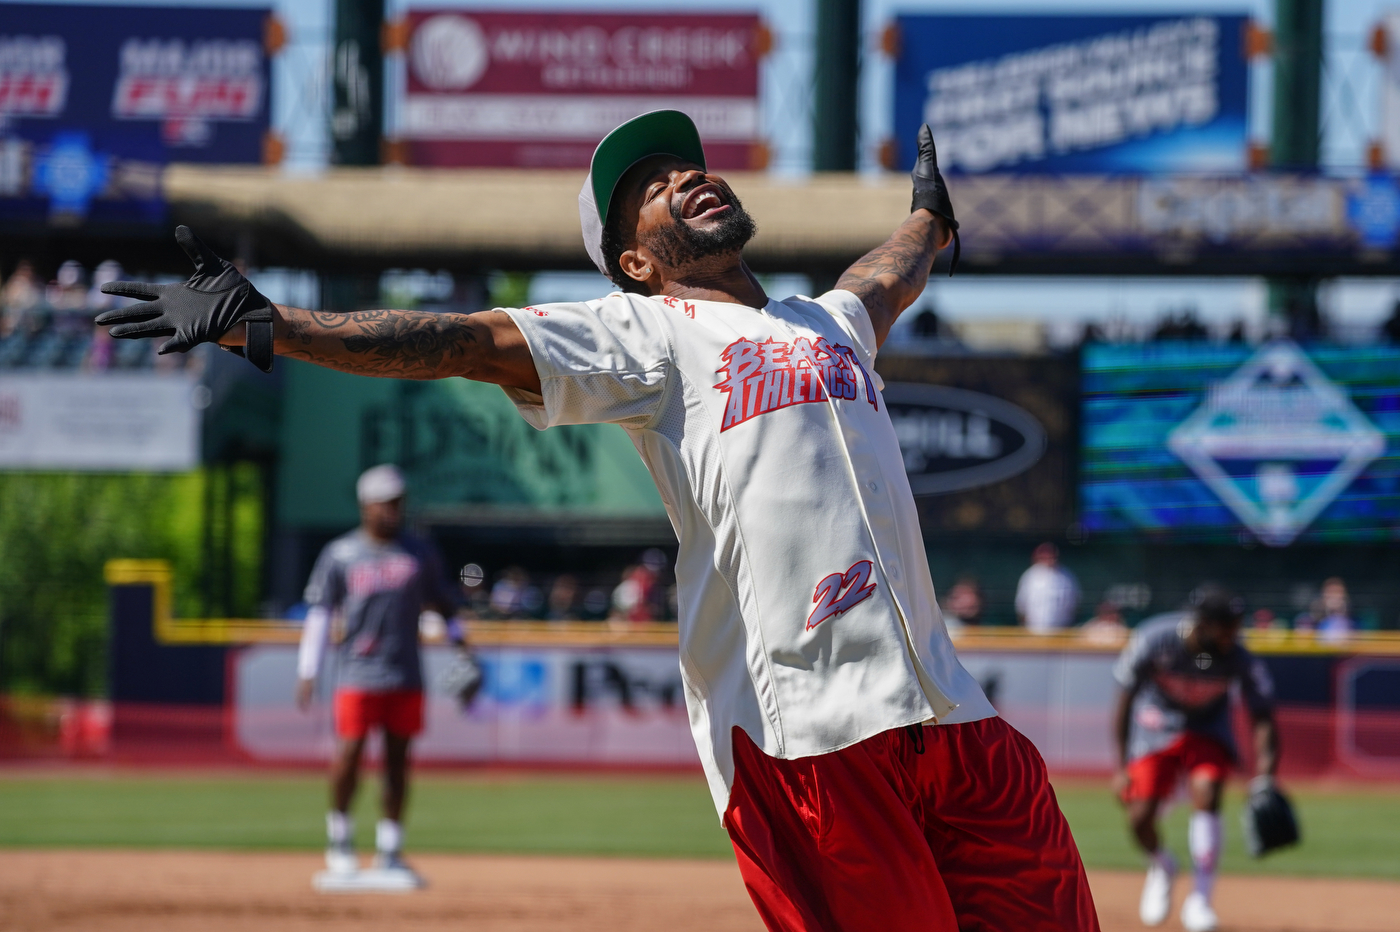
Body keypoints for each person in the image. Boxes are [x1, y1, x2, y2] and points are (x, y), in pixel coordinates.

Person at [95, 112, 1099, 930]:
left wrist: (929, 219)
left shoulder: (824, 322)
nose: (680, 178)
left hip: (953, 717)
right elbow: (457, 338)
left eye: (681, 164)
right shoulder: (650, 332)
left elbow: (889, 273)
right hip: (810, 732)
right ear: (632, 260)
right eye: (651, 187)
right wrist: (272, 323)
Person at [295, 464, 467, 884]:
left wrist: (463, 648)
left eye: (399, 502)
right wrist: (308, 668)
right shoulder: (341, 553)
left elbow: (443, 604)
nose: (394, 510)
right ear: (366, 505)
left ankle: (390, 848)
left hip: (405, 673)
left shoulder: (419, 552)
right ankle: (340, 839)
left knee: (397, 763)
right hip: (356, 672)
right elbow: (321, 612)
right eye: (386, 503)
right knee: (349, 755)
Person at [1112, 586, 1279, 932]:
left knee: (1208, 790)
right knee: (1139, 816)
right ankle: (1162, 865)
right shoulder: (1156, 638)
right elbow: (1125, 699)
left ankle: (1200, 899)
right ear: (1203, 624)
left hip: (1207, 729)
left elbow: (1262, 715)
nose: (1234, 634)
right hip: (1154, 726)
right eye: (1227, 627)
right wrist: (1121, 765)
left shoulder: (1237, 655)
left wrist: (1264, 777)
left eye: (1236, 626)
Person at [1015, 541, 1080, 633]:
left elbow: (1074, 604)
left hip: (1060, 630)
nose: (1048, 558)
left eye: (1050, 555)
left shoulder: (1067, 576)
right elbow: (1021, 606)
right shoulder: (1029, 576)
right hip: (1034, 630)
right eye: (1044, 555)